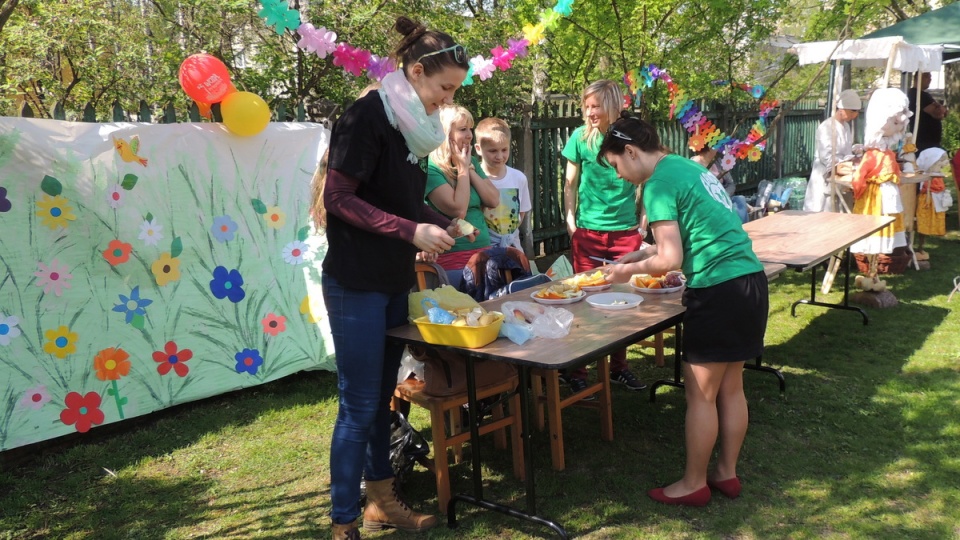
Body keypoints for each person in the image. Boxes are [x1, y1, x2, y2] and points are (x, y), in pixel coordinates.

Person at [313, 16, 470, 539]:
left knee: (381, 397)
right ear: (418, 71)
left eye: (453, 94)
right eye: (444, 89)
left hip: (391, 281)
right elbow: (339, 199)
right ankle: (343, 522)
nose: (445, 102)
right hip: (354, 282)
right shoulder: (365, 116)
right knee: (358, 404)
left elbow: (397, 197)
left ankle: (382, 501)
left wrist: (444, 222)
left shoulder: (414, 128)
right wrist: (410, 230)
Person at [598, 112, 768, 507]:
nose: (620, 176)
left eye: (616, 165)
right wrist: (643, 252)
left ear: (630, 151)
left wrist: (626, 271)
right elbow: (690, 233)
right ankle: (725, 473)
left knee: (701, 396)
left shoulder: (658, 183)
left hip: (718, 290)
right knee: (730, 387)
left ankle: (693, 483)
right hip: (749, 282)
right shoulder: (685, 167)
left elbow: (670, 258)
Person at [562, 80, 647, 396]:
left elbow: (647, 179)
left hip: (625, 233)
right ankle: (578, 370)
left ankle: (619, 368)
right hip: (588, 232)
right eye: (586, 106)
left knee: (622, 301)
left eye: (595, 106)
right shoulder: (580, 138)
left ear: (613, 104)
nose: (590, 112)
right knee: (584, 300)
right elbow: (570, 183)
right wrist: (570, 220)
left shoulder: (630, 136)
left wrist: (643, 221)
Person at [425, 105, 500, 287]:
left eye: (470, 129)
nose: (470, 135)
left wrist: (468, 169)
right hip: (452, 259)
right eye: (462, 129)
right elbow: (458, 210)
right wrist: (462, 169)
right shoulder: (430, 167)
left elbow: (493, 200)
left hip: (483, 253)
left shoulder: (470, 162)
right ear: (445, 133)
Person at [475, 117, 531, 251]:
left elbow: (521, 212)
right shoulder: (474, 177)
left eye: (504, 150)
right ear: (478, 149)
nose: (499, 156)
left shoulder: (519, 178)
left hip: (513, 248)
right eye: (493, 151)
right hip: (484, 249)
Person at [803, 89, 861, 213]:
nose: (855, 115)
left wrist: (855, 155)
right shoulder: (826, 127)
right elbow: (828, 158)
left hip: (840, 180)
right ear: (841, 109)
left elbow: (845, 150)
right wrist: (846, 164)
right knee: (822, 215)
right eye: (853, 111)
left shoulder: (846, 126)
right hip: (825, 177)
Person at [908, 72, 947, 152]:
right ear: (917, 78)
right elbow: (939, 113)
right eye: (926, 76)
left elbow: (945, 113)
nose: (929, 79)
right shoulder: (918, 95)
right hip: (924, 142)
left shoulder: (924, 95)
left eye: (930, 77)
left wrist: (940, 108)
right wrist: (940, 108)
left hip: (929, 142)